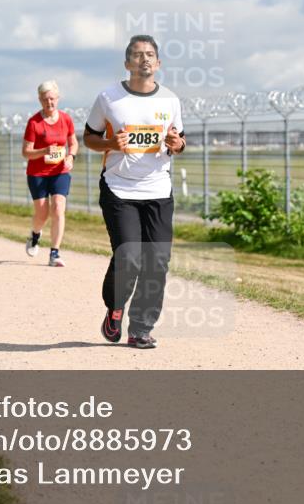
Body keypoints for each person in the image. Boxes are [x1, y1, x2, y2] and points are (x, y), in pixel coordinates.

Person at [83, 35, 186, 349]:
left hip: (157, 189)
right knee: (129, 256)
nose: (144, 60)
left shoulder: (170, 100)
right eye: (138, 55)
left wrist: (177, 145)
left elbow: (179, 140)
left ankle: (141, 328)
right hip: (119, 188)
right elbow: (88, 138)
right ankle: (115, 308)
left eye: (150, 54)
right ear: (127, 64)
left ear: (158, 63)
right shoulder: (109, 98)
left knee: (157, 261)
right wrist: (111, 144)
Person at [22, 80, 78, 267]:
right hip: (37, 173)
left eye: (52, 99)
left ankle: (54, 253)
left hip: (59, 170)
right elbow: (26, 152)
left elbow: (74, 143)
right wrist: (44, 151)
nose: (49, 103)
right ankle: (35, 235)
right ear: (40, 100)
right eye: (45, 99)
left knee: (58, 208)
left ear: (58, 98)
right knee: (42, 213)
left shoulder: (66, 119)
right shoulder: (34, 122)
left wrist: (71, 157)